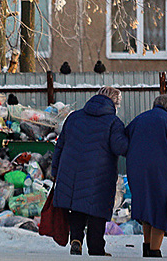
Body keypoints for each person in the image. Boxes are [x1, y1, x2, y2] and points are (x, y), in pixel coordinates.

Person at [51, 86, 128, 256]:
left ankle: (76, 239)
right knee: (97, 212)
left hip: (71, 172)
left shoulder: (74, 117)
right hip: (99, 176)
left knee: (77, 206)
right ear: (115, 103)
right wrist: (131, 135)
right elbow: (120, 147)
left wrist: (55, 170)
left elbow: (60, 145)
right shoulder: (113, 123)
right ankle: (96, 249)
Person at [126, 94, 167, 258]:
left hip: (136, 171)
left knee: (146, 208)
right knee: (161, 211)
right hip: (162, 173)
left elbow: (123, 140)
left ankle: (147, 247)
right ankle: (154, 251)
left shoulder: (138, 120)